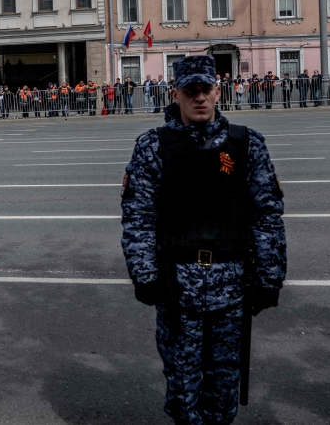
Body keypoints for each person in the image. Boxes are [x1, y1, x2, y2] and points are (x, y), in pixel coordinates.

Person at [121, 55, 286, 425]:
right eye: (190, 90)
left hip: (233, 286)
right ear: (176, 93)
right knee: (182, 385)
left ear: (218, 91)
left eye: (206, 89)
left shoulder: (246, 145)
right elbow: (138, 217)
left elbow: (267, 215)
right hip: (177, 286)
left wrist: (269, 278)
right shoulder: (152, 147)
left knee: (224, 383)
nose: (199, 98)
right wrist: (143, 274)